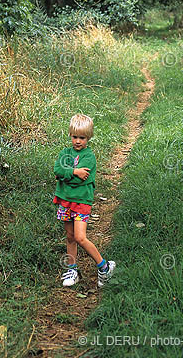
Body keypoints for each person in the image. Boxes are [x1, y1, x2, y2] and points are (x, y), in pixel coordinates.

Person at [53, 113, 116, 288]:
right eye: (75, 137)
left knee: (80, 237)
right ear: (70, 135)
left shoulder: (89, 157)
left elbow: (84, 179)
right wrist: (74, 172)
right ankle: (73, 270)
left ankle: (104, 267)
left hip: (81, 202)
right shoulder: (65, 153)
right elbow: (57, 170)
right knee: (70, 236)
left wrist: (68, 176)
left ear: (88, 138)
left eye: (82, 138)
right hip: (65, 201)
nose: (78, 141)